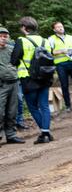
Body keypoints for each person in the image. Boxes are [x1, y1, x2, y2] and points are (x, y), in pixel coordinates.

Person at [10, 16, 56, 144]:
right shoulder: (45, 41)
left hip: (28, 78)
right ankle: (46, 132)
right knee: (45, 106)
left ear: (24, 28)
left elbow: (13, 60)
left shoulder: (21, 41)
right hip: (44, 77)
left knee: (33, 107)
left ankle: (45, 133)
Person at [48, 22, 72, 112]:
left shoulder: (70, 37)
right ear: (54, 29)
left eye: (61, 26)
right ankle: (68, 106)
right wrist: (61, 51)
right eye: (58, 27)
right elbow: (49, 51)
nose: (61, 28)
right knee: (64, 85)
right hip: (60, 64)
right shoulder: (51, 39)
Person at [0, 27, 25, 145]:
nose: (2, 39)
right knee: (0, 111)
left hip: (14, 82)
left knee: (12, 111)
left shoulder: (11, 49)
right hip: (1, 84)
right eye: (0, 36)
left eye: (5, 36)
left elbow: (18, 61)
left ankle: (11, 135)